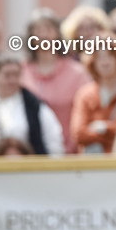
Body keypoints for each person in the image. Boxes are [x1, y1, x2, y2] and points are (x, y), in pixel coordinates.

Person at [20, 8, 91, 153]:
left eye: (48, 29)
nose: (43, 35)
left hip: (69, 152)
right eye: (37, 30)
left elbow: (87, 112)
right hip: (29, 155)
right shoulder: (21, 72)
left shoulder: (77, 72)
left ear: (58, 34)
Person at [0, 52, 65, 155]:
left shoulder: (34, 105)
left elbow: (54, 141)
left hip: (30, 167)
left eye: (16, 75)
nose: (12, 80)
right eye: (7, 75)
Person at [71, 43, 116, 153]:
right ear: (92, 62)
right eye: (99, 57)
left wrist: (104, 127)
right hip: (93, 164)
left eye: (110, 56)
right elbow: (79, 134)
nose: (105, 62)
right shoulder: (84, 95)